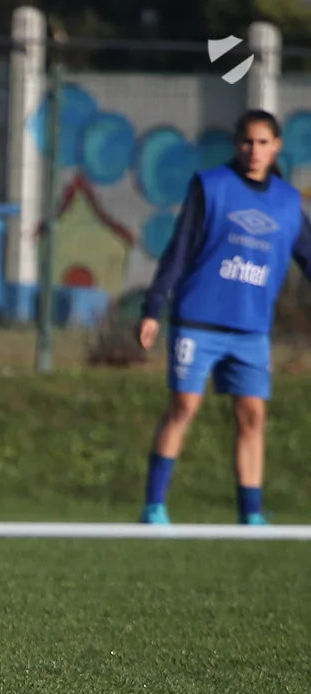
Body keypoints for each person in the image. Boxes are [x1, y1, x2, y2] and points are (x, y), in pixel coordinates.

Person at [137, 109, 311, 525]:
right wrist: (153, 308)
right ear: (236, 144)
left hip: (251, 328)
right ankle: (154, 506)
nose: (254, 150)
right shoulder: (211, 186)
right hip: (198, 319)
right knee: (184, 406)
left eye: (263, 143)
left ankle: (251, 514)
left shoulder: (288, 203)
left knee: (252, 415)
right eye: (247, 142)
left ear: (276, 147)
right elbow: (179, 249)